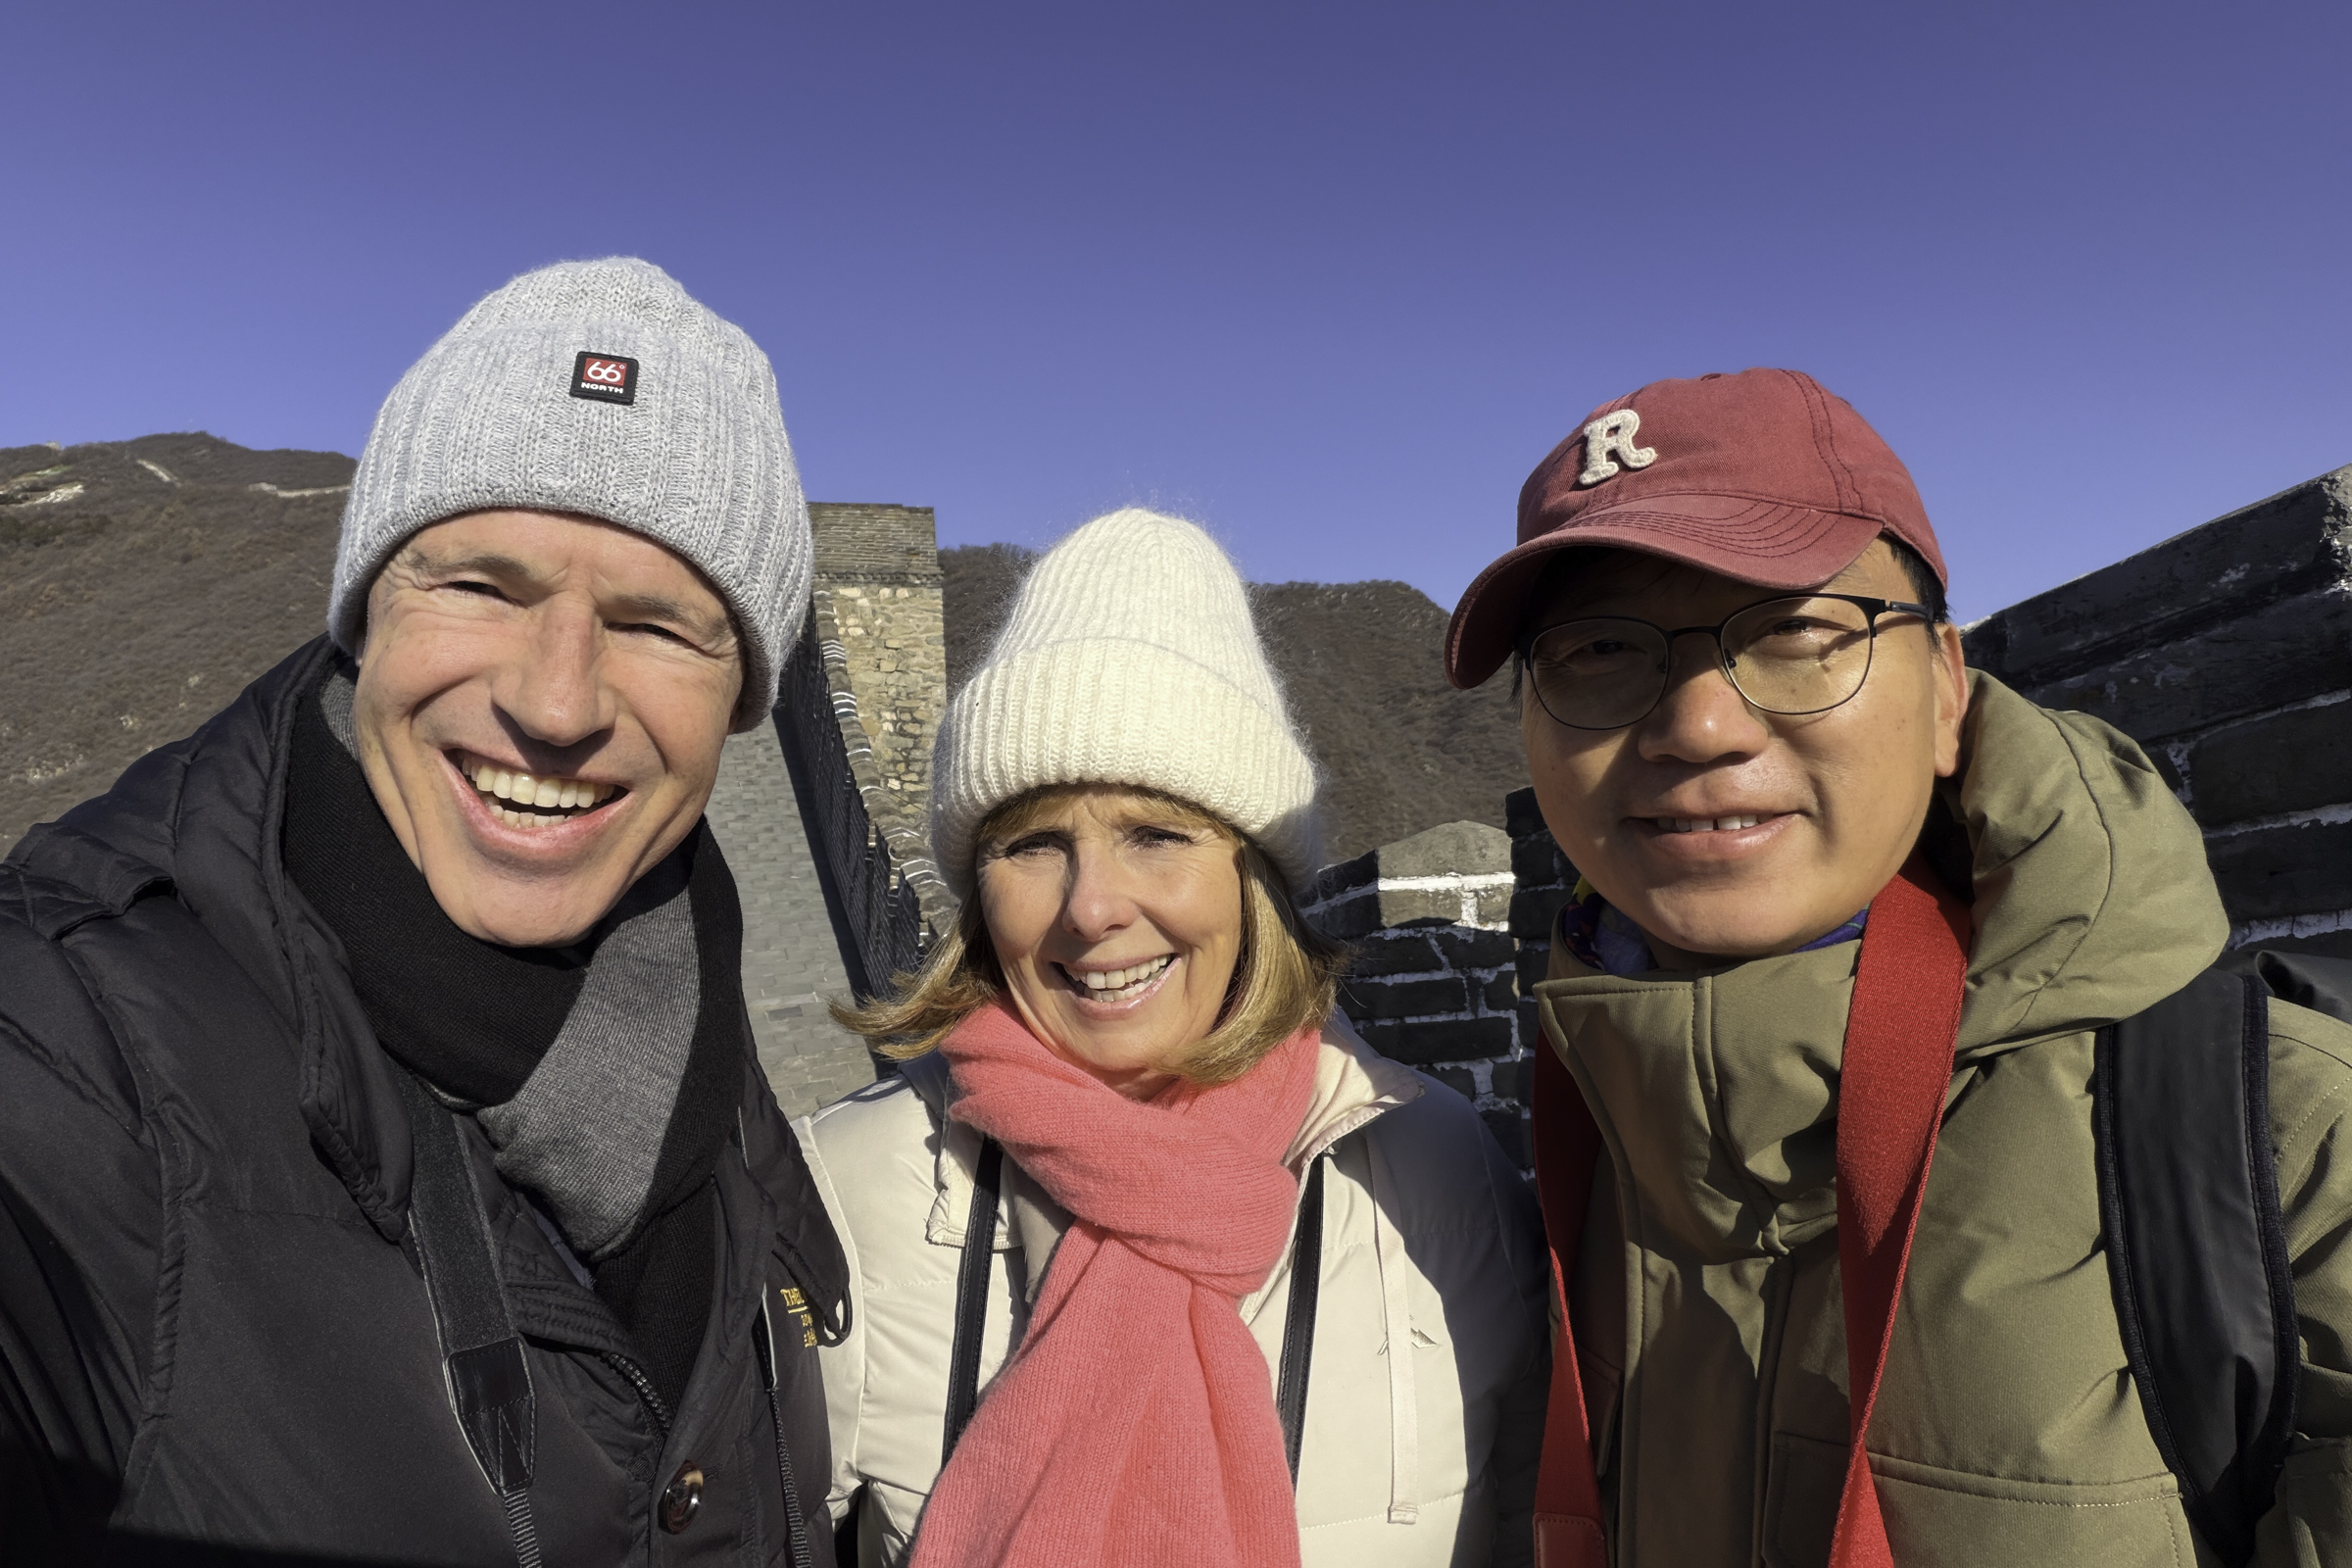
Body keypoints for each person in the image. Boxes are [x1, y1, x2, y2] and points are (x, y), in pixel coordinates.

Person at [0, 258, 847, 1563]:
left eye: (659, 625)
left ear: (741, 696)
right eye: (484, 586)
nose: (557, 705)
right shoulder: (69, 1045)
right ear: (367, 613)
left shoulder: (710, 1058)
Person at [1443, 367, 2352, 1567]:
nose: (1699, 725)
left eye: (1797, 634)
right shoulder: (1573, 1136)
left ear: (1945, 692)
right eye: (1600, 649)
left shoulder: (2284, 1139)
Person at [798, 509, 1547, 1568]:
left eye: (1157, 834)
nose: (1092, 907)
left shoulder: (1441, 1175)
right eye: (1033, 844)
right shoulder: (849, 1188)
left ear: (1257, 881)